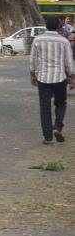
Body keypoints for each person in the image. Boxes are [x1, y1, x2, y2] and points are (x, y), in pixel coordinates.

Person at [29, 16, 75, 145]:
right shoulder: (63, 41)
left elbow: (32, 59)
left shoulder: (37, 40)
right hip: (60, 78)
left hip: (43, 79)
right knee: (61, 104)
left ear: (45, 25)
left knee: (45, 107)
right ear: (58, 26)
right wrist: (72, 77)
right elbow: (68, 62)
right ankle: (58, 127)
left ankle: (48, 137)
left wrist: (33, 74)